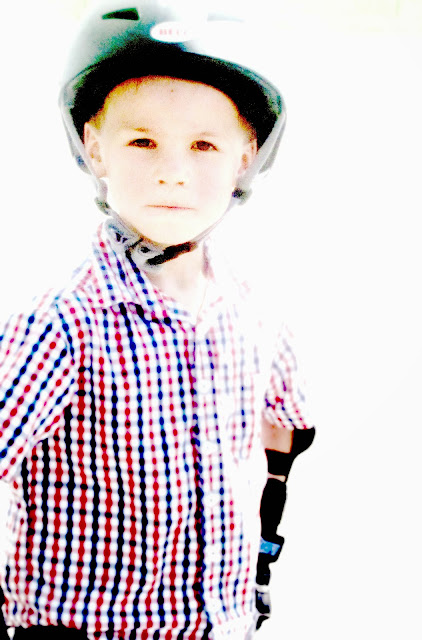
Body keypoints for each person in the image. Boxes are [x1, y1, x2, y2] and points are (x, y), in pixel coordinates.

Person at [0, 1, 315, 638]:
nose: (173, 171)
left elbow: (286, 429)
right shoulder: (62, 325)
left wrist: (260, 554)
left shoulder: (256, 313)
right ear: (95, 148)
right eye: (142, 141)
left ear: (246, 156)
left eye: (204, 145)